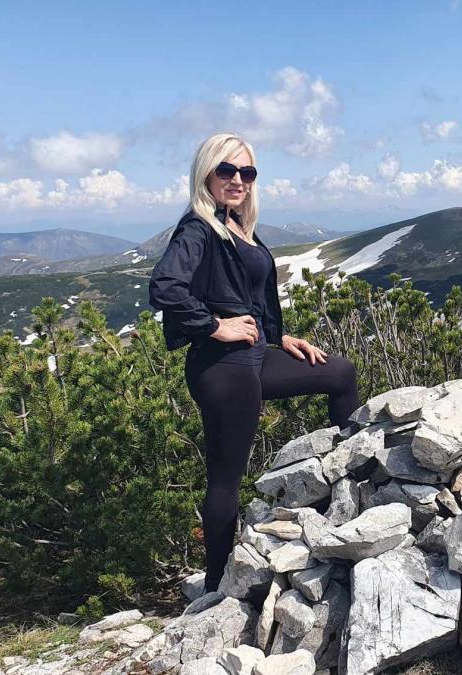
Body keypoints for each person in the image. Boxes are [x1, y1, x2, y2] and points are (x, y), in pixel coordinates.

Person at [148, 132, 360, 593]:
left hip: (255, 356)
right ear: (206, 174)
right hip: (221, 368)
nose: (237, 180)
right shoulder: (199, 227)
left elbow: (247, 294)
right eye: (226, 170)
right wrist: (214, 326)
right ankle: (215, 586)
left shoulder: (238, 225)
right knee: (226, 478)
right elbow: (164, 287)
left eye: (247, 172)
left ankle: (355, 491)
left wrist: (278, 337)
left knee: (340, 373)